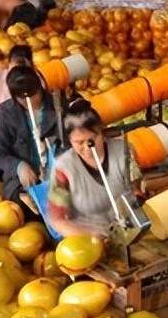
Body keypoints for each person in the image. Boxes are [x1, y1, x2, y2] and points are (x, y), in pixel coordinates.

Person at [46, 100, 137, 238]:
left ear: (102, 133)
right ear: (70, 140)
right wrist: (89, 235)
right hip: (90, 241)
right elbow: (57, 219)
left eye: (92, 140)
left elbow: (137, 189)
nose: (87, 148)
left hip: (130, 231)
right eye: (79, 142)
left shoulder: (123, 152)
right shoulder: (63, 169)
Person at [0, 66, 62, 210]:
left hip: (59, 179)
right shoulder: (7, 113)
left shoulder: (58, 107)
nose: (30, 101)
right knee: (21, 208)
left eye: (34, 95)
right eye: (22, 98)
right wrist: (19, 166)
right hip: (22, 184)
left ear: (40, 87)